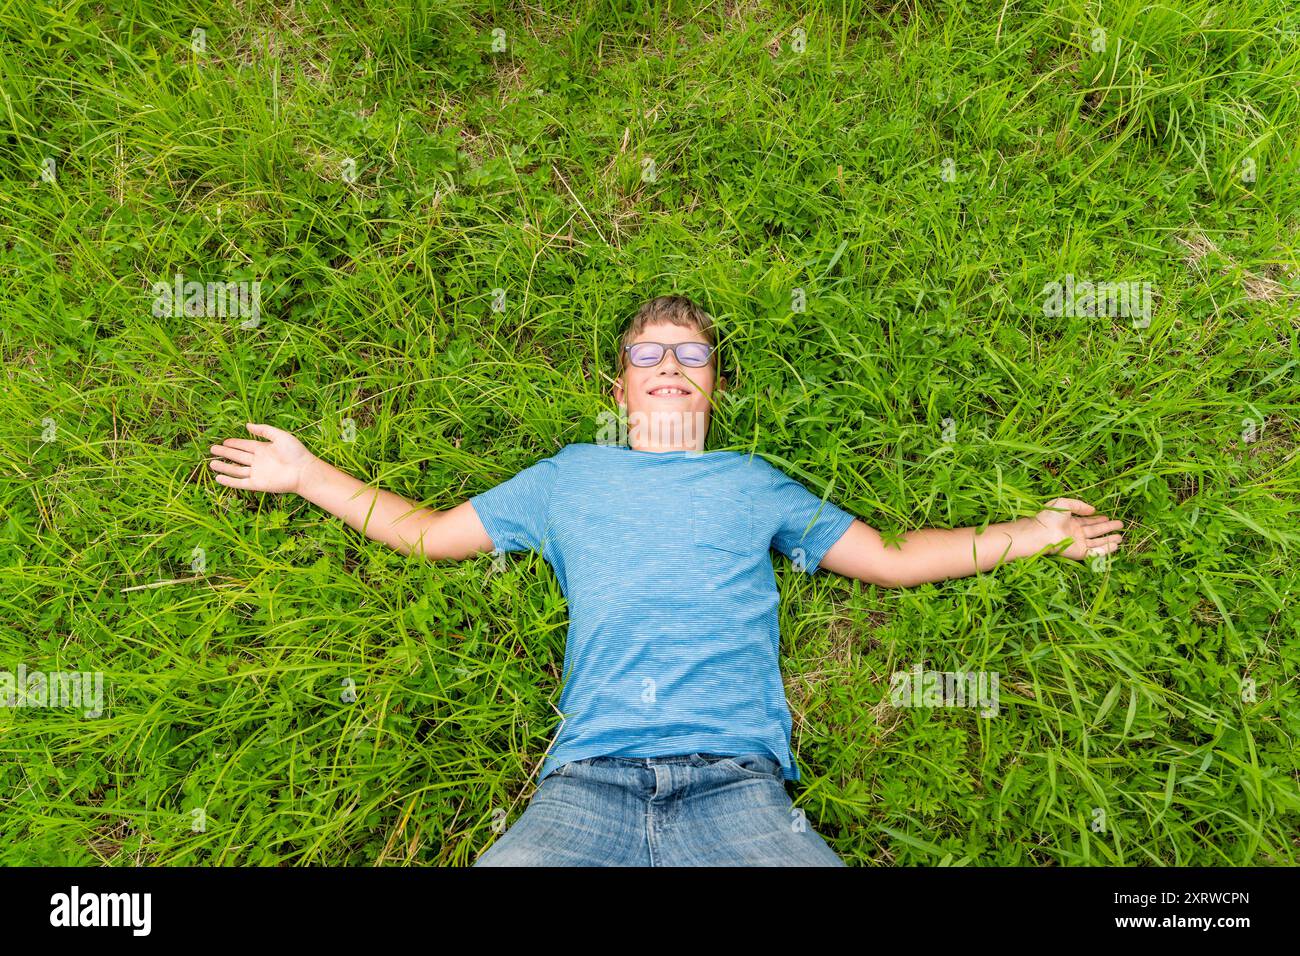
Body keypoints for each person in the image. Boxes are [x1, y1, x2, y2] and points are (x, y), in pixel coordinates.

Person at [207, 294, 1123, 866]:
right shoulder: (567, 476)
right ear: (619, 389)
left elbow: (889, 560)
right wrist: (310, 475)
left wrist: (1036, 533)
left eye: (691, 354)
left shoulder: (753, 484)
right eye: (650, 354)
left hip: (739, 791)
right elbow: (428, 534)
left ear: (714, 387)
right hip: (584, 788)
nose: (672, 366)